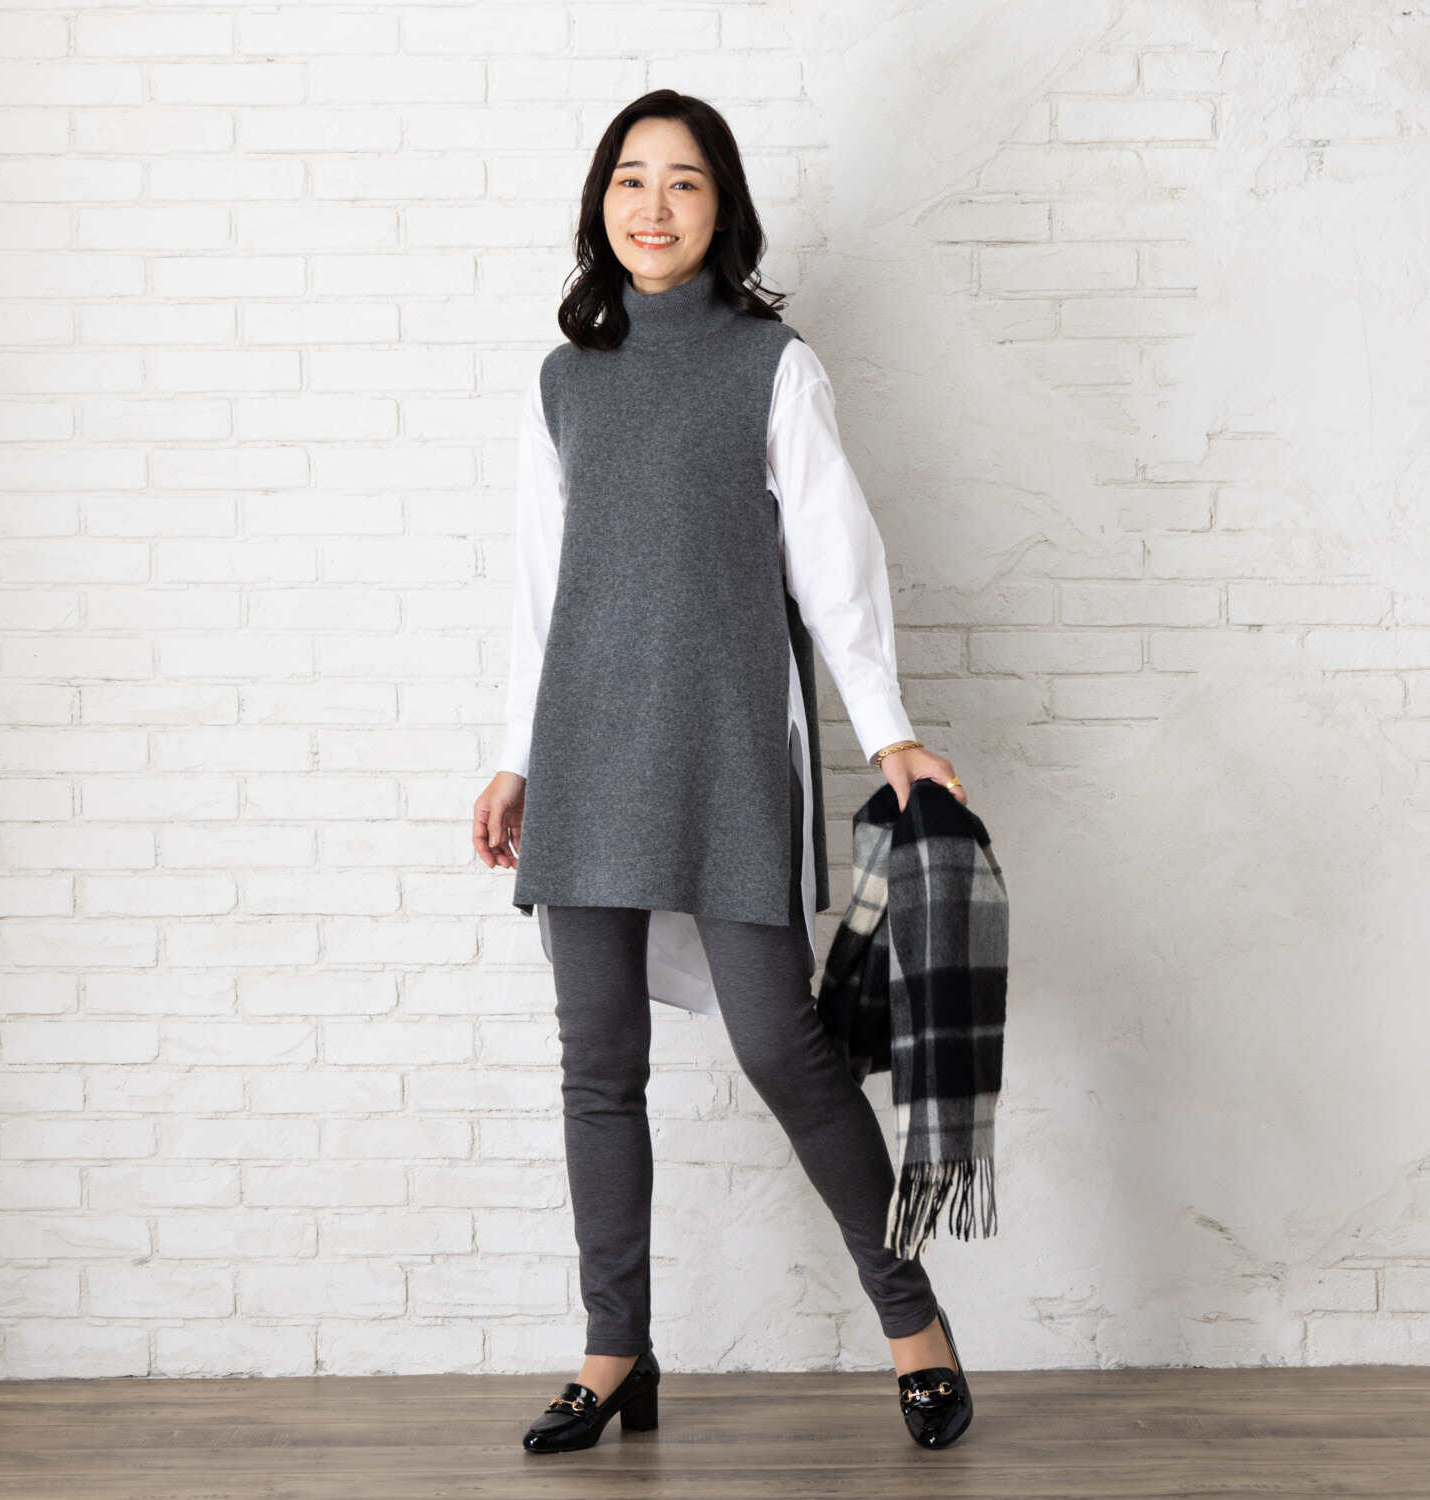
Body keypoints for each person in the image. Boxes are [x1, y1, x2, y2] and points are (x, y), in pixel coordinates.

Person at [471, 90, 975, 1455]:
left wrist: (888, 730)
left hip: (728, 745)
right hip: (585, 750)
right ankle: (614, 1352)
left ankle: (913, 1323)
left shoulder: (773, 365)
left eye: (683, 182)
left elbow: (835, 568)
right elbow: (538, 594)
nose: (653, 206)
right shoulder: (563, 382)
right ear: (601, 206)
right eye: (630, 181)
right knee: (598, 1066)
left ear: (722, 208)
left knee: (785, 1049)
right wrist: (515, 759)